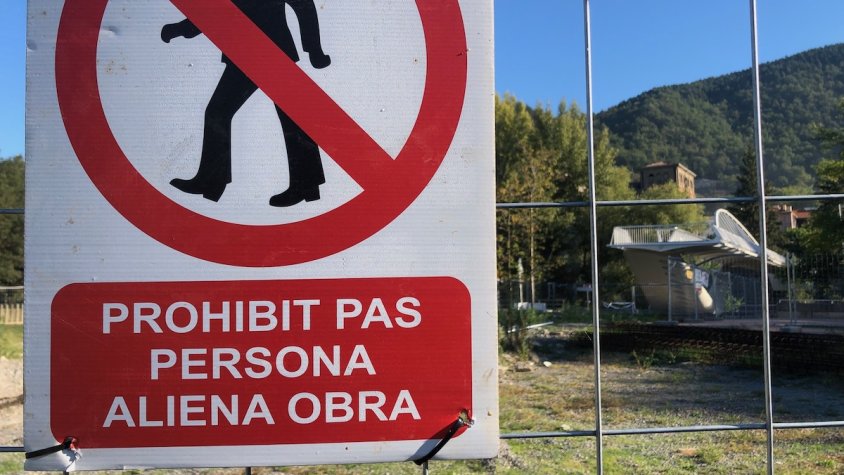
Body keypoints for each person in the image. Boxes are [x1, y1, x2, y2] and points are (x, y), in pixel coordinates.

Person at [161, 0, 331, 207]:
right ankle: (210, 181)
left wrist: (314, 50)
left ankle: (305, 185)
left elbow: (303, 4)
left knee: (290, 118)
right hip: (243, 52)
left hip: (272, 50)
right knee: (219, 113)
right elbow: (217, 10)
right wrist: (182, 29)